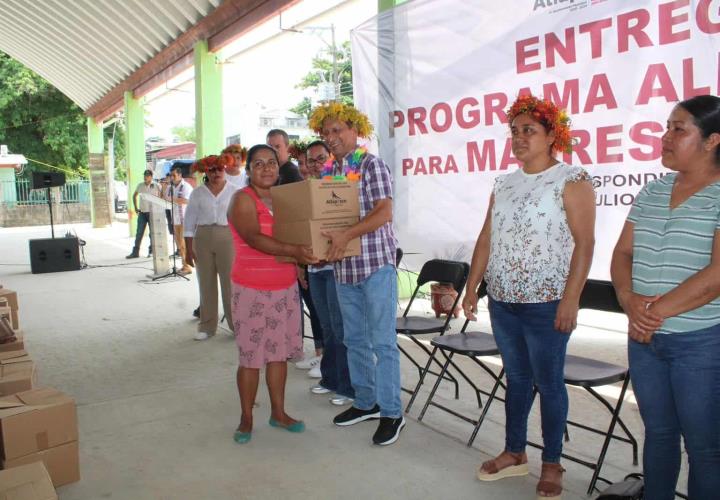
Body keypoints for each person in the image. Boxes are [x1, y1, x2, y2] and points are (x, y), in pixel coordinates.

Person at [461, 94, 595, 498]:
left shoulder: (572, 180)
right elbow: (488, 236)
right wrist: (473, 286)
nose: (519, 138)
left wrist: (571, 299)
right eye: (514, 131)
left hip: (548, 302)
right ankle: (515, 453)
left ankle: (552, 463)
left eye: (529, 131)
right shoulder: (504, 183)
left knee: (549, 383)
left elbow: (585, 244)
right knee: (517, 379)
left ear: (552, 135)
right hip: (503, 301)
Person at [610, 95, 720, 500]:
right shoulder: (653, 191)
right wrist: (627, 297)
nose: (665, 137)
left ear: (712, 141)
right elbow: (622, 254)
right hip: (646, 341)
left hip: (700, 341)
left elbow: (717, 274)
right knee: (658, 435)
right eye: (666, 128)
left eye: (679, 129)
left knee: (705, 448)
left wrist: (652, 311)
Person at [308, 102, 403, 445]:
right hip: (344, 268)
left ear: (355, 131)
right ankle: (366, 402)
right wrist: (316, 248)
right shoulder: (330, 173)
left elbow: (384, 212)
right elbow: (327, 222)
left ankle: (392, 412)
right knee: (354, 341)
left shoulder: (371, 165)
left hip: (376, 265)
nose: (331, 138)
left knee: (383, 342)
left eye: (337, 130)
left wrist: (347, 235)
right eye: (326, 133)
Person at [227, 144, 318, 444]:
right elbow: (253, 238)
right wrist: (294, 251)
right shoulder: (242, 199)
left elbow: (298, 234)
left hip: (284, 287)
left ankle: (278, 413)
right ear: (249, 170)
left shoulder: (284, 200)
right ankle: (245, 417)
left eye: (271, 163)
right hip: (251, 289)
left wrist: (301, 265)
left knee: (278, 355)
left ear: (279, 167)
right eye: (258, 164)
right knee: (251, 358)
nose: (266, 169)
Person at [303, 140, 354, 406]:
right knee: (325, 327)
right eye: (310, 160)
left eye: (320, 158)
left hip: (336, 266)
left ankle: (347, 386)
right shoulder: (305, 191)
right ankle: (329, 379)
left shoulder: (341, 185)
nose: (315, 164)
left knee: (340, 327)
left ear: (331, 158)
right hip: (313, 266)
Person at [184, 154, 239, 341]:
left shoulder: (235, 191)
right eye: (212, 169)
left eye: (220, 168)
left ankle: (236, 325)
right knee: (206, 281)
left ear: (225, 169)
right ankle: (207, 326)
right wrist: (188, 248)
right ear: (206, 171)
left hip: (227, 237)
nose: (217, 173)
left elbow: (240, 219)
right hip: (204, 237)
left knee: (230, 283)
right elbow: (189, 220)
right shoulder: (197, 192)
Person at [164, 166, 193, 274]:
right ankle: (184, 265)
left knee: (183, 243)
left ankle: (188, 267)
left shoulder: (186, 186)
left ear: (180, 175)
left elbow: (186, 201)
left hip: (185, 219)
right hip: (175, 218)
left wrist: (173, 200)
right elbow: (165, 198)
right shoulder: (170, 187)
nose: (172, 177)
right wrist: (164, 187)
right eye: (171, 175)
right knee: (179, 244)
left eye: (174, 175)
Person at [126, 169, 160, 259]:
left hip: (153, 213)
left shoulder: (156, 186)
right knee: (139, 233)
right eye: (144, 175)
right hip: (142, 212)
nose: (145, 177)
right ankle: (135, 252)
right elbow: (134, 196)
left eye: (148, 175)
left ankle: (151, 251)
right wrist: (136, 208)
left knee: (152, 233)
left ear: (151, 177)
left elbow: (162, 197)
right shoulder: (140, 185)